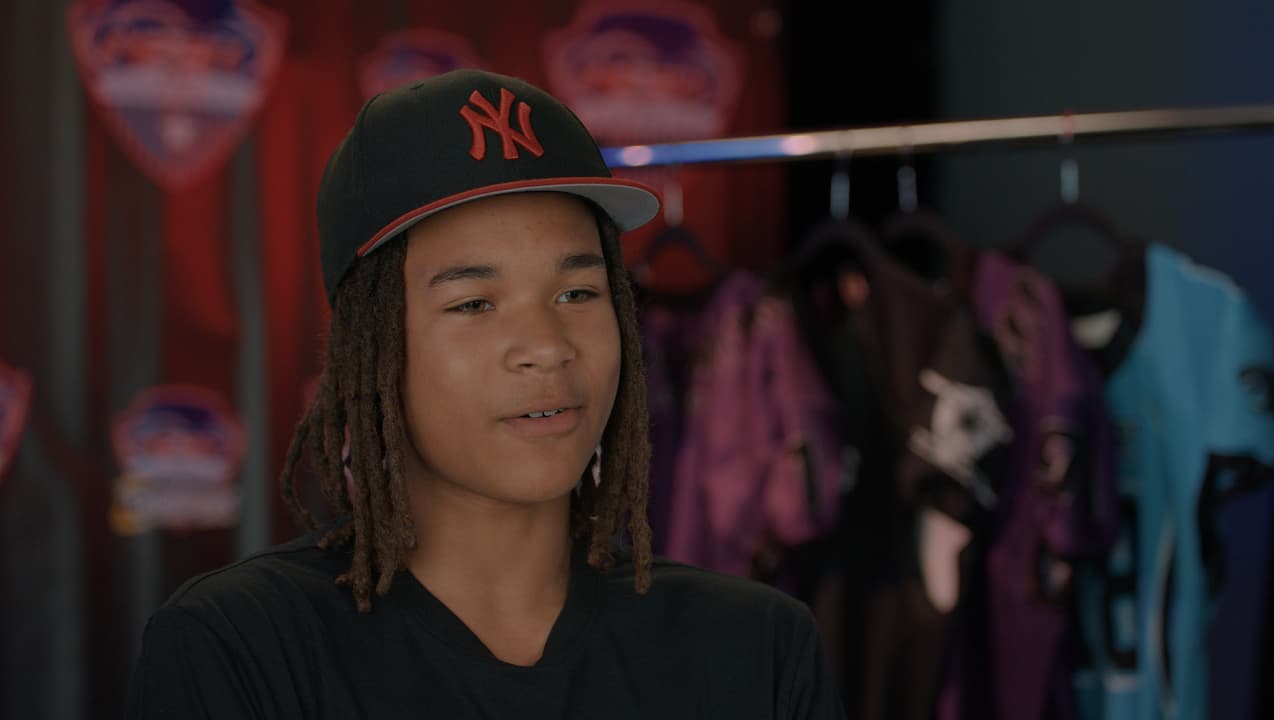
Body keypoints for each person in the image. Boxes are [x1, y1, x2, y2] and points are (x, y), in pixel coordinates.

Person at [126, 68, 845, 719]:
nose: (546, 345)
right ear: (369, 346)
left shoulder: (757, 647)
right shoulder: (241, 646)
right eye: (473, 303)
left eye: (577, 292)